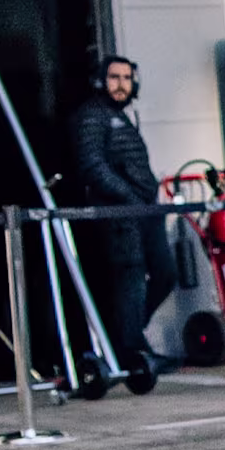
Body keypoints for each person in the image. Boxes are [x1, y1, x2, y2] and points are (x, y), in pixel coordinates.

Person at [68, 54, 172, 386]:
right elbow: (92, 166)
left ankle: (128, 334)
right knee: (131, 281)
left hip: (145, 212)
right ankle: (130, 347)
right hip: (119, 216)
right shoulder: (92, 116)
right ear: (101, 80)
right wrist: (127, 197)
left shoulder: (122, 117)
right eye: (114, 77)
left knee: (165, 274)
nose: (121, 84)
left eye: (127, 78)